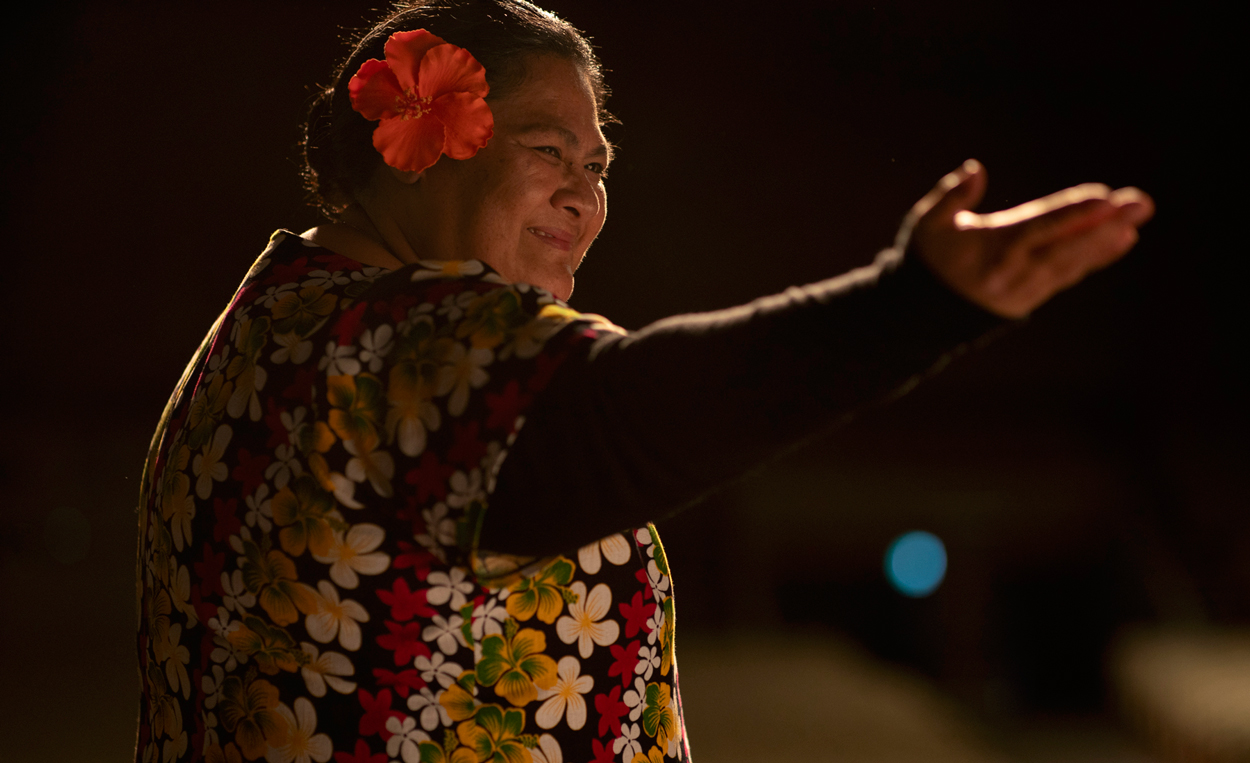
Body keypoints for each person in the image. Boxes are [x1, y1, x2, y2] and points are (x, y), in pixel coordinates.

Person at [134, 1, 1153, 762]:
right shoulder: (395, 342)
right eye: (548, 151)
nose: (584, 197)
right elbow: (634, 414)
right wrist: (912, 305)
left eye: (597, 165)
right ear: (414, 147)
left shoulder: (275, 318)